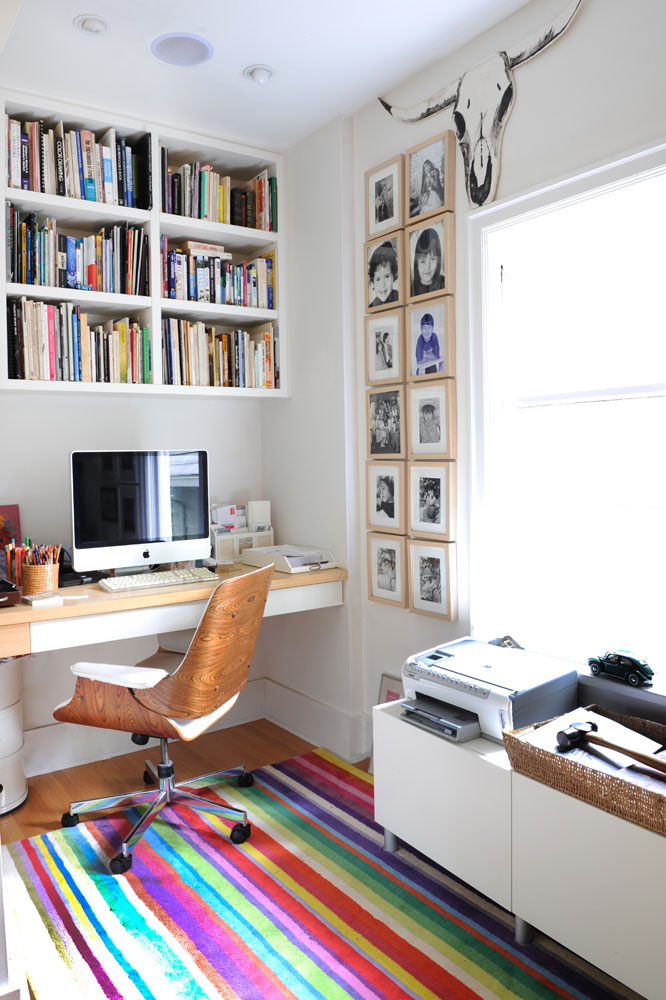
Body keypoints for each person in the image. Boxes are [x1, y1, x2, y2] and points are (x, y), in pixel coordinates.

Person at [411, 228, 445, 297]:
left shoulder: (444, 283)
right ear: (416, 264)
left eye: (432, 259)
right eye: (423, 261)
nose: (427, 267)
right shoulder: (411, 291)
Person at [368, 241, 399, 307]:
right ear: (372, 283)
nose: (383, 285)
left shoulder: (399, 298)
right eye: (378, 279)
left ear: (394, 276)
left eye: (387, 276)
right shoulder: (372, 306)